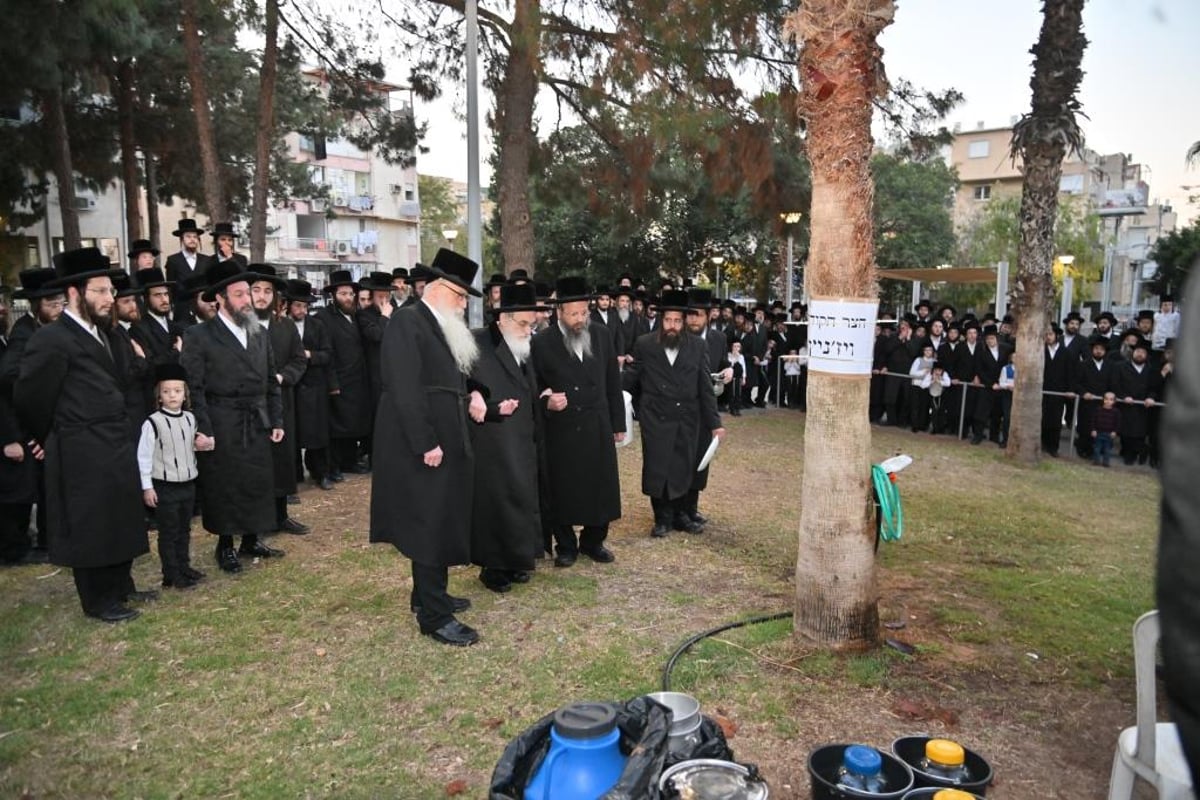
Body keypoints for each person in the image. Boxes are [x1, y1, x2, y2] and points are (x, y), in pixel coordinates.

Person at [14, 248, 152, 622]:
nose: (111, 299)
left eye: (110, 291)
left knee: (118, 516)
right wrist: (53, 435)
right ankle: (97, 600)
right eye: (102, 291)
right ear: (76, 293)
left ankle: (122, 586)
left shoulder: (103, 333)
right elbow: (30, 397)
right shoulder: (53, 339)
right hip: (80, 447)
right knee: (90, 523)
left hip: (115, 441)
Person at [369, 248, 487, 647]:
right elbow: (403, 386)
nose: (461, 303)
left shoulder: (439, 324)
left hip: (444, 434)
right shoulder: (408, 321)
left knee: (438, 515)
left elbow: (449, 377)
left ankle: (427, 595)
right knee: (428, 521)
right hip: (420, 440)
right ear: (437, 288)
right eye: (458, 295)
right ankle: (435, 616)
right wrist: (425, 441)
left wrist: (473, 394)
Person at [179, 260, 286, 573]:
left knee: (256, 479)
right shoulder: (199, 335)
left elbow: (270, 381)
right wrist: (203, 428)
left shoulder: (259, 333)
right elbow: (193, 388)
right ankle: (225, 544)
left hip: (256, 418)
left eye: (248, 294)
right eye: (239, 295)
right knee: (225, 483)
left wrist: (276, 419)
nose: (247, 301)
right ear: (220, 299)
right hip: (221, 418)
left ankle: (251, 539)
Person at [531, 275, 625, 567]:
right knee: (564, 488)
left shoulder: (601, 335)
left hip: (597, 422)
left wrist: (618, 423)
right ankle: (567, 545)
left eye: (584, 312)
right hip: (563, 428)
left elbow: (612, 381)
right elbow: (533, 387)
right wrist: (547, 402)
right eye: (573, 313)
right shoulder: (542, 343)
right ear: (559, 312)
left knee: (600, 485)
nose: (580, 319)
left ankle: (593, 541)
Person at [624, 289, 724, 537]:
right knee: (657, 468)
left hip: (686, 418)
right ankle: (661, 518)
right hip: (655, 418)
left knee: (682, 467)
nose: (672, 326)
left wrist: (715, 424)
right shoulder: (645, 344)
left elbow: (705, 388)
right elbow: (630, 379)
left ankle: (680, 515)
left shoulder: (698, 347)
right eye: (668, 320)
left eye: (677, 321)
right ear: (661, 320)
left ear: (683, 321)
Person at [469, 283, 547, 594]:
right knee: (496, 500)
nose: (530, 330)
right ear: (504, 318)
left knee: (520, 497)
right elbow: (460, 379)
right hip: (491, 437)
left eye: (533, 324)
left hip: (522, 436)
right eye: (525, 324)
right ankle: (493, 566)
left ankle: (517, 559)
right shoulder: (477, 341)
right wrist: (475, 395)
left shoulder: (523, 343)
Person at [249, 265, 309, 534]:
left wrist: (283, 377)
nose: (262, 296)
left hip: (282, 400)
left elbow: (298, 359)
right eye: (256, 290)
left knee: (282, 458)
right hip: (250, 406)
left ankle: (281, 515)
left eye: (267, 291)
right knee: (256, 461)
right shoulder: (239, 324)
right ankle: (258, 521)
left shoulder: (285, 326)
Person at [138, 363, 204, 588]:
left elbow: (190, 446)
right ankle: (171, 573)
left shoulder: (190, 419)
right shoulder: (152, 423)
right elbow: (144, 456)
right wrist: (147, 487)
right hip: (165, 486)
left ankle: (184, 566)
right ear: (159, 396)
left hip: (188, 483)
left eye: (177, 391)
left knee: (185, 528)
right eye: (166, 392)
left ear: (185, 394)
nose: (172, 396)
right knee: (169, 532)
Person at [683, 287, 732, 527]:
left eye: (698, 315)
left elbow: (723, 363)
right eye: (689, 314)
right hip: (681, 409)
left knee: (701, 459)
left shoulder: (718, 339)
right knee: (681, 459)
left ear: (709, 316)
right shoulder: (676, 336)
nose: (692, 319)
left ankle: (691, 508)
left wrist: (731, 369)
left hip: (707, 409)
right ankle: (676, 510)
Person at [318, 270, 372, 478]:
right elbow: (327, 352)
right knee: (337, 427)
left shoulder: (357, 316)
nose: (348, 298)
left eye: (350, 294)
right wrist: (332, 383)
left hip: (358, 379)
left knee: (354, 424)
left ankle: (350, 461)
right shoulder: (323, 318)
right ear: (333, 295)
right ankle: (333, 466)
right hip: (338, 380)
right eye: (343, 294)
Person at [283, 279, 336, 490]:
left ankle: (320, 472)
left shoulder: (317, 326)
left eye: (305, 306)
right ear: (288, 305)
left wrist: (309, 355)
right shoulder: (281, 326)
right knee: (293, 435)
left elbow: (328, 354)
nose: (302, 310)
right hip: (291, 388)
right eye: (297, 305)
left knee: (318, 433)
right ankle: (294, 476)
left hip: (315, 387)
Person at [1113, 337, 1157, 465]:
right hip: (1125, 405)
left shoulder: (1151, 370)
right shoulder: (1120, 366)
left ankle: (1136, 453)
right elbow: (1115, 384)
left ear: (1147, 355)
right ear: (1133, 352)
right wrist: (1123, 396)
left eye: (1143, 352)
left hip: (1143, 407)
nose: (1140, 354)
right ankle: (1129, 454)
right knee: (1125, 433)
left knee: (1139, 433)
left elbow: (1153, 387)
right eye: (1137, 351)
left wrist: (1151, 397)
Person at [165, 219, 212, 325]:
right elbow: (171, 288)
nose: (192, 240)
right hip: (182, 312)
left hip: (203, 310)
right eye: (188, 237)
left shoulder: (206, 260)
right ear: (182, 239)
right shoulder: (173, 260)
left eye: (195, 237)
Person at [1042, 325, 1074, 457]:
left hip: (1059, 392)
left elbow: (1071, 374)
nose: (1048, 337)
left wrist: (1070, 390)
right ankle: (1043, 444)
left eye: (1050, 334)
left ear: (1056, 336)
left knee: (1055, 420)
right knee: (1042, 418)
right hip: (1042, 390)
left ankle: (1053, 447)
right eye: (1046, 335)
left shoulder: (1066, 353)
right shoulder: (1041, 350)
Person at [1090, 391, 1120, 467]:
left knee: (1107, 450)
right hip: (1098, 433)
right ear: (1103, 399)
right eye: (1106, 399)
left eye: (1111, 399)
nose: (1108, 401)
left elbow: (1117, 423)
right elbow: (1093, 420)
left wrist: (1114, 432)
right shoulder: (1098, 409)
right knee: (1097, 448)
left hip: (1109, 434)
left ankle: (1106, 463)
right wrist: (1093, 430)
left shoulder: (1116, 412)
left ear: (1114, 401)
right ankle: (1096, 461)